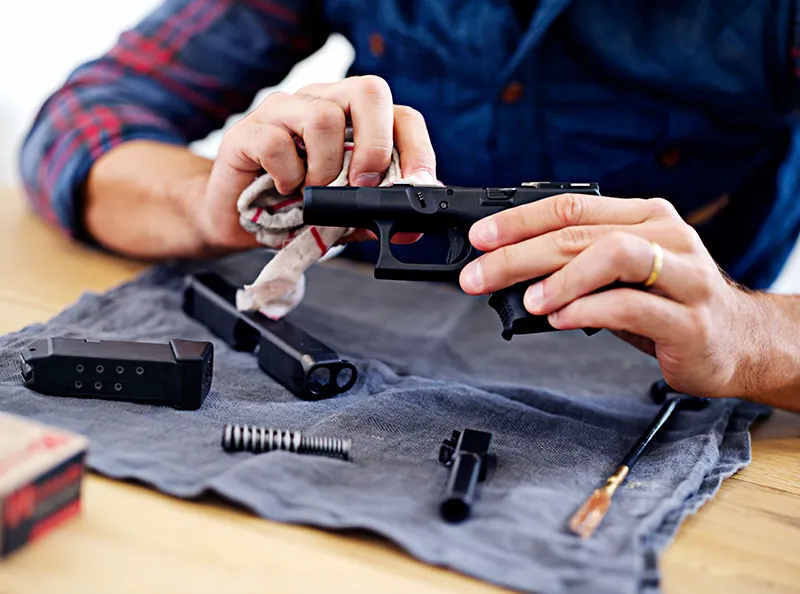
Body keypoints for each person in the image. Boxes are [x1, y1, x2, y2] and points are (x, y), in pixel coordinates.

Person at [16, 0, 800, 412]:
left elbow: (755, 342)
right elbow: (82, 122)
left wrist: (752, 337)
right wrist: (210, 203)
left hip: (659, 389)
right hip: (348, 330)